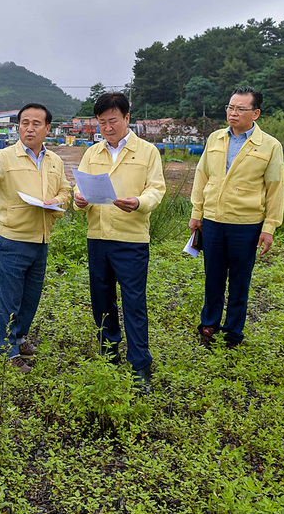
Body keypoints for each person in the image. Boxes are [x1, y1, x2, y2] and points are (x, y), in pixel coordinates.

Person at [0, 103, 71, 373]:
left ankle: (20, 338)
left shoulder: (54, 161)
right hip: (12, 239)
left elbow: (66, 191)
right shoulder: (5, 157)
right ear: (18, 127)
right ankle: (7, 350)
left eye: (36, 123)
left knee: (30, 297)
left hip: (41, 239)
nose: (29, 128)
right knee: (9, 297)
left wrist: (56, 200)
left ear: (47, 128)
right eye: (24, 123)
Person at [73, 93, 166, 390]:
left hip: (131, 239)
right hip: (98, 237)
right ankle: (108, 354)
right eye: (101, 122)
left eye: (113, 121)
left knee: (134, 302)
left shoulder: (147, 151)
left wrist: (139, 202)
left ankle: (140, 365)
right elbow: (81, 189)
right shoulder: (92, 153)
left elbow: (157, 189)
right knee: (101, 300)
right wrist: (79, 200)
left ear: (127, 118)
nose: (107, 127)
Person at [189, 86, 284, 349]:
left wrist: (270, 227)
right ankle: (209, 325)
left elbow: (275, 189)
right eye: (230, 107)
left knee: (240, 281)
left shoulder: (269, 145)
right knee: (213, 278)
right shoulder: (215, 139)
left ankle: (233, 333)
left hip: (246, 224)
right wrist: (197, 213)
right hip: (213, 221)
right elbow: (202, 176)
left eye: (240, 109)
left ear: (255, 113)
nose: (233, 113)